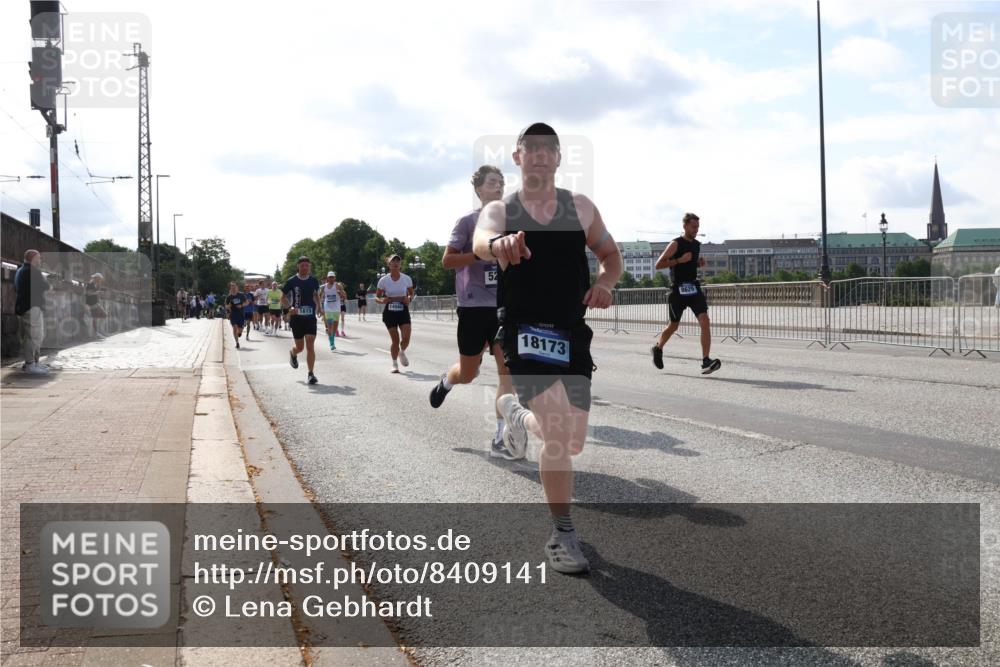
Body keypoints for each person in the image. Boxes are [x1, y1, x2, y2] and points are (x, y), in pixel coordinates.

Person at [472, 122, 622, 574]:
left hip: (571, 332)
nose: (539, 154)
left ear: (558, 159)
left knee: (571, 441)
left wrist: (605, 283)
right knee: (558, 433)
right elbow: (482, 242)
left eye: (548, 149)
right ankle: (563, 534)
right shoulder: (502, 209)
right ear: (518, 158)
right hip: (523, 330)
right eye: (530, 148)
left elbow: (610, 256)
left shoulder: (579, 207)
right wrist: (499, 245)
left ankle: (517, 416)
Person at [430, 164, 516, 459]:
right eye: (493, 182)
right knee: (469, 373)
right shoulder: (467, 222)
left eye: (502, 182)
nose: (499, 186)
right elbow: (446, 261)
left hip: (504, 307)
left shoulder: (513, 221)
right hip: (473, 306)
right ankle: (447, 381)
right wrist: (480, 254)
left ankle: (501, 434)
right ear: (479, 189)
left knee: (507, 370)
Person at [650, 212, 721, 375]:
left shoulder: (696, 245)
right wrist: (678, 260)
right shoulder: (675, 244)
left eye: (698, 227)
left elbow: (690, 264)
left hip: (693, 288)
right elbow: (658, 264)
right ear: (685, 226)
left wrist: (697, 263)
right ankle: (658, 348)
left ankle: (705, 360)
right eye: (693, 227)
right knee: (673, 325)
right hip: (678, 290)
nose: (696, 230)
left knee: (705, 320)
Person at [282, 256, 322, 384]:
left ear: (309, 266)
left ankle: (311, 374)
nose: (305, 267)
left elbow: (316, 294)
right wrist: (289, 307)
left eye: (307, 265)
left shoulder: (313, 280)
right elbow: (282, 296)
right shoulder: (292, 281)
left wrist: (320, 307)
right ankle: (293, 353)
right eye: (302, 265)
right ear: (298, 266)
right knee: (300, 347)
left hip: (310, 317)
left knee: (310, 345)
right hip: (297, 318)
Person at [375, 253, 414, 373]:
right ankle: (394, 364)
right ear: (389, 264)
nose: (396, 263)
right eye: (393, 261)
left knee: (406, 338)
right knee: (395, 341)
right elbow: (376, 297)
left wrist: (409, 298)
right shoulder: (384, 280)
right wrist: (382, 300)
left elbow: (411, 294)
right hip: (390, 312)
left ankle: (401, 352)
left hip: (403, 310)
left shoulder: (406, 278)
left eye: (398, 261)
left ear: (400, 264)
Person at [14, 249, 51, 375]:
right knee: (34, 336)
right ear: (33, 258)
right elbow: (45, 286)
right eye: (38, 258)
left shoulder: (20, 270)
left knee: (30, 336)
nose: (40, 260)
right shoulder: (33, 271)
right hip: (32, 307)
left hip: (24, 307)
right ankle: (31, 364)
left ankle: (32, 363)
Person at [320, 271, 342, 350]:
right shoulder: (323, 287)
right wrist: (319, 308)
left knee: (335, 327)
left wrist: (340, 293)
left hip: (336, 308)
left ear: (334, 278)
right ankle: (332, 343)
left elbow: (344, 296)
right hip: (328, 308)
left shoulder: (338, 286)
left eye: (332, 277)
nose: (331, 279)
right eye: (330, 277)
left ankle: (332, 338)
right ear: (327, 278)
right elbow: (319, 296)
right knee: (330, 325)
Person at [225, 282, 248, 349]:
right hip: (233, 314)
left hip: (241, 314)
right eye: (232, 287)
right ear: (231, 288)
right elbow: (226, 306)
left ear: (237, 288)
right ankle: (237, 343)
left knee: (240, 330)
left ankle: (240, 332)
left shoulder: (241, 295)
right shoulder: (229, 297)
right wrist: (228, 307)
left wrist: (241, 305)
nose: (234, 288)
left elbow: (246, 302)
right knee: (234, 328)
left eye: (234, 287)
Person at [85, 273, 108, 339]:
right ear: (96, 278)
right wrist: (97, 292)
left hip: (96, 303)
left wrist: (98, 292)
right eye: (99, 279)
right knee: (97, 318)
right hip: (92, 304)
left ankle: (98, 332)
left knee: (103, 315)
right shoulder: (90, 284)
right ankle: (97, 333)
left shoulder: (95, 285)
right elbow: (88, 293)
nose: (100, 281)